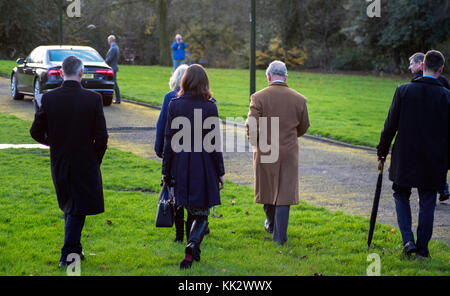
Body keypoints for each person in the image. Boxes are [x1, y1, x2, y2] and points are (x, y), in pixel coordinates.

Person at [30, 55, 109, 268]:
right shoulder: (93, 99)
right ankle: (68, 255)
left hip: (60, 159)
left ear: (62, 73)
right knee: (75, 207)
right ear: (81, 73)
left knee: (72, 206)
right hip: (85, 160)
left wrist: (54, 143)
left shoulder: (48, 99)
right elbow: (102, 136)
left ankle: (75, 249)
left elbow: (35, 131)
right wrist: (95, 159)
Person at [377, 50, 449, 259]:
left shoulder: (403, 91)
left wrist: (382, 151)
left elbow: (389, 126)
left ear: (422, 64)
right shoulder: (446, 96)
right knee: (427, 201)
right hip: (434, 158)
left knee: (401, 194)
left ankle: (408, 240)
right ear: (441, 69)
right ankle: (423, 249)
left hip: (406, 156)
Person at [162, 64, 225, 269]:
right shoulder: (210, 107)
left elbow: (169, 140)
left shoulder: (175, 104)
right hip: (203, 164)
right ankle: (192, 244)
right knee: (202, 212)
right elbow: (214, 143)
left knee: (189, 207)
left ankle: (193, 251)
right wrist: (220, 172)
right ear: (204, 83)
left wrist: (166, 171)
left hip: (180, 163)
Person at [245, 60, 310, 245]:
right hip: (289, 152)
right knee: (284, 193)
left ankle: (272, 224)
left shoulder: (258, 97)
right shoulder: (300, 99)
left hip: (266, 150)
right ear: (286, 76)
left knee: (267, 187)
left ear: (268, 76)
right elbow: (304, 126)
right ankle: (279, 236)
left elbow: (252, 126)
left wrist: (256, 143)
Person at [409, 52, 450, 202]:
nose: (409, 67)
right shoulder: (416, 81)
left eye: (412, 63)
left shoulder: (417, 83)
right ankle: (441, 187)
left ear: (421, 64)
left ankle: (440, 187)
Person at [155, 64, 189, 243]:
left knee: (175, 191)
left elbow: (161, 126)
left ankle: (179, 233)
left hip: (174, 152)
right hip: (192, 153)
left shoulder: (169, 98)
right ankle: (196, 226)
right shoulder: (200, 98)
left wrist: (158, 149)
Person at [106, 35, 121, 104]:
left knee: (114, 83)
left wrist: (104, 63)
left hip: (112, 68)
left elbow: (109, 59)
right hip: (114, 67)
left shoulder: (113, 48)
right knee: (114, 83)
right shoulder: (115, 47)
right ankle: (116, 98)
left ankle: (118, 99)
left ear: (110, 40)